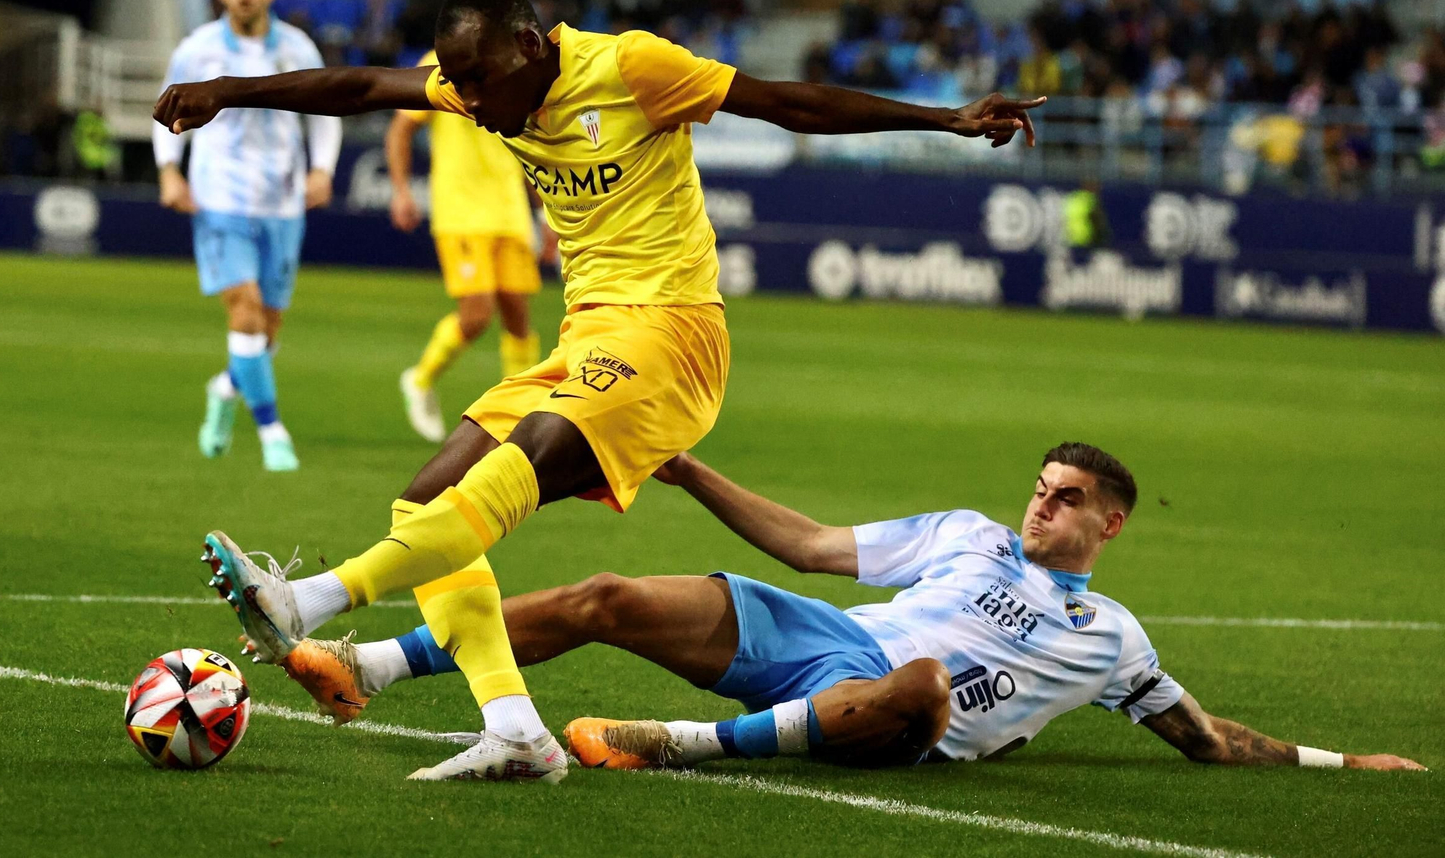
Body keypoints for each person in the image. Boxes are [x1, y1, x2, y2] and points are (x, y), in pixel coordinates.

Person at [155, 0, 1044, 782]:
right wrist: (226, 95)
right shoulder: (482, 85)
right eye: (455, 84)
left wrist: (948, 119)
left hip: (672, 337)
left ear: (533, 47)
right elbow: (356, 87)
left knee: (531, 454)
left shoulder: (632, 68)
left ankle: (310, 599)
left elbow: (785, 103)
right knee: (428, 496)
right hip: (586, 336)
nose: (467, 101)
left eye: (480, 82)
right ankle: (513, 730)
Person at [286, 444, 1426, 775]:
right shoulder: (967, 532)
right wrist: (693, 475)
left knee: (923, 687)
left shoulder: (1112, 636)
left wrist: (1337, 760)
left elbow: (1205, 736)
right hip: (827, 637)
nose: (1039, 504)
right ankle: (373, 664)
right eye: (1038, 486)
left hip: (896, 708)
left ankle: (672, 745)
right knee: (605, 595)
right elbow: (813, 545)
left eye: (1064, 497)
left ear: (1109, 522)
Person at [152, 0, 342, 472]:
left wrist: (322, 168)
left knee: (266, 332)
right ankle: (272, 430)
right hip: (219, 200)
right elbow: (164, 110)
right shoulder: (199, 48)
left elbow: (326, 112)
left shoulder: (298, 46)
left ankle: (223, 389)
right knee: (245, 310)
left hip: (283, 204)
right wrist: (170, 171)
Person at [387, 48, 555, 443]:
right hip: (460, 209)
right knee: (477, 314)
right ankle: (419, 378)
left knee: (517, 314)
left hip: (510, 213)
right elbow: (401, 127)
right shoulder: (441, 60)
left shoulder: (517, 64)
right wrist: (400, 190)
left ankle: (516, 417)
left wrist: (547, 214)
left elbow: (527, 147)